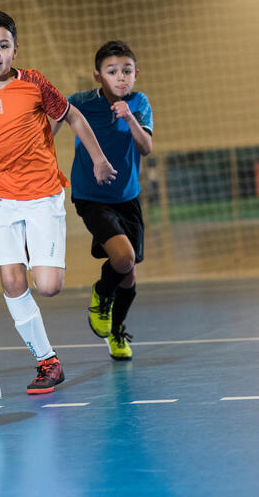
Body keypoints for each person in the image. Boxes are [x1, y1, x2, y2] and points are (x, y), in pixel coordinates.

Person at [0, 10, 118, 394]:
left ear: (15, 49)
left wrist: (98, 158)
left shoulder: (34, 84)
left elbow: (73, 116)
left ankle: (37, 253)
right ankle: (48, 361)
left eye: (2, 45)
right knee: (12, 281)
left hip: (42, 194)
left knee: (47, 286)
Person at [54, 40, 153, 361]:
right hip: (91, 196)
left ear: (137, 73)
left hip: (127, 197)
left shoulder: (138, 103)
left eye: (127, 71)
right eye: (112, 71)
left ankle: (115, 331)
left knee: (129, 274)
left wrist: (130, 119)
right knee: (123, 259)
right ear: (98, 76)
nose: (121, 77)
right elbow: (51, 124)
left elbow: (146, 148)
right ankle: (101, 293)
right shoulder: (81, 102)